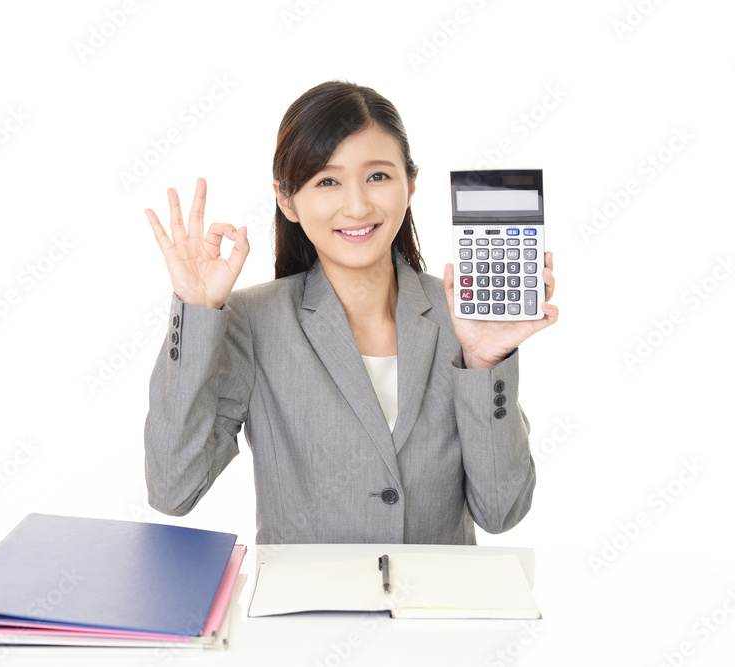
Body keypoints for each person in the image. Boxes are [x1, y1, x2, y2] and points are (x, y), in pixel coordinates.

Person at [143, 80, 558, 545]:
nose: (358, 206)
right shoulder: (253, 320)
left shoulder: (460, 316)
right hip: (304, 594)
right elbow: (173, 489)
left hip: (438, 594)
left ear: (411, 183)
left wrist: (483, 364)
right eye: (327, 181)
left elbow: (501, 511)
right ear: (286, 199)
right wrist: (197, 313)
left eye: (378, 176)